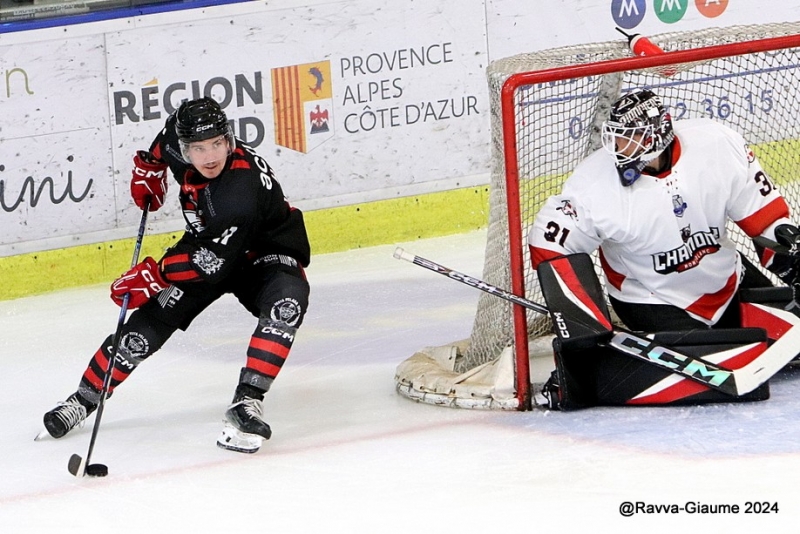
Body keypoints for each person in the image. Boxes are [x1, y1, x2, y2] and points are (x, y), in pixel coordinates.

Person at [42, 97, 311, 453]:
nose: (211, 155)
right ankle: (83, 398)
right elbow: (162, 143)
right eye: (199, 148)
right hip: (207, 244)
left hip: (262, 255)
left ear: (229, 138)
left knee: (287, 303)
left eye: (218, 143)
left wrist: (155, 274)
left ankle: (247, 400)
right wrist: (149, 168)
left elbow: (210, 262)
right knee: (149, 324)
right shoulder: (175, 138)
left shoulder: (238, 194)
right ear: (184, 148)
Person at [529, 88, 800, 333]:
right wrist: (582, 319)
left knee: (792, 338)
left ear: (659, 134)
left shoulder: (716, 144)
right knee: (713, 377)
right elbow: (549, 245)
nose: (619, 148)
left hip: (727, 279)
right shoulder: (593, 182)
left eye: (631, 137)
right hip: (652, 298)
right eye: (616, 138)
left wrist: (788, 249)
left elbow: (764, 216)